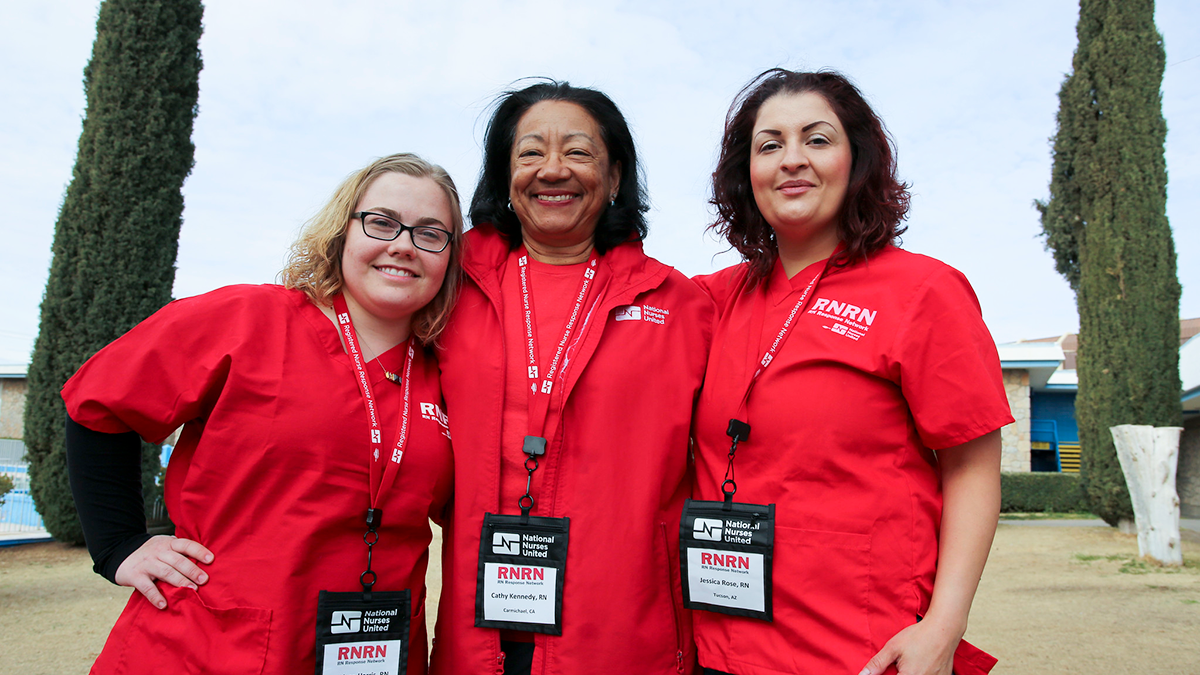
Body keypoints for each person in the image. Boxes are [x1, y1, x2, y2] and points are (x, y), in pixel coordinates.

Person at [63, 153, 463, 675]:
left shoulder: (450, 375)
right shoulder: (246, 318)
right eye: (382, 222)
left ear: (450, 258)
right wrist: (118, 545)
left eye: (431, 233)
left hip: (376, 652)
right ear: (342, 232)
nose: (403, 245)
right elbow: (98, 405)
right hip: (210, 646)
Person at [688, 69, 1011, 675]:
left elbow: (972, 470)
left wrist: (943, 628)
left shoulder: (924, 291)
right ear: (745, 173)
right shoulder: (711, 301)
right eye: (769, 145)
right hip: (721, 649)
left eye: (817, 139)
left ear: (857, 159)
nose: (792, 161)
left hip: (857, 649)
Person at [430, 81, 714, 675]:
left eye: (579, 152)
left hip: (620, 637)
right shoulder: (444, 288)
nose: (552, 169)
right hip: (474, 637)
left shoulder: (683, 305)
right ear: (504, 176)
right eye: (530, 153)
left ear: (614, 179)